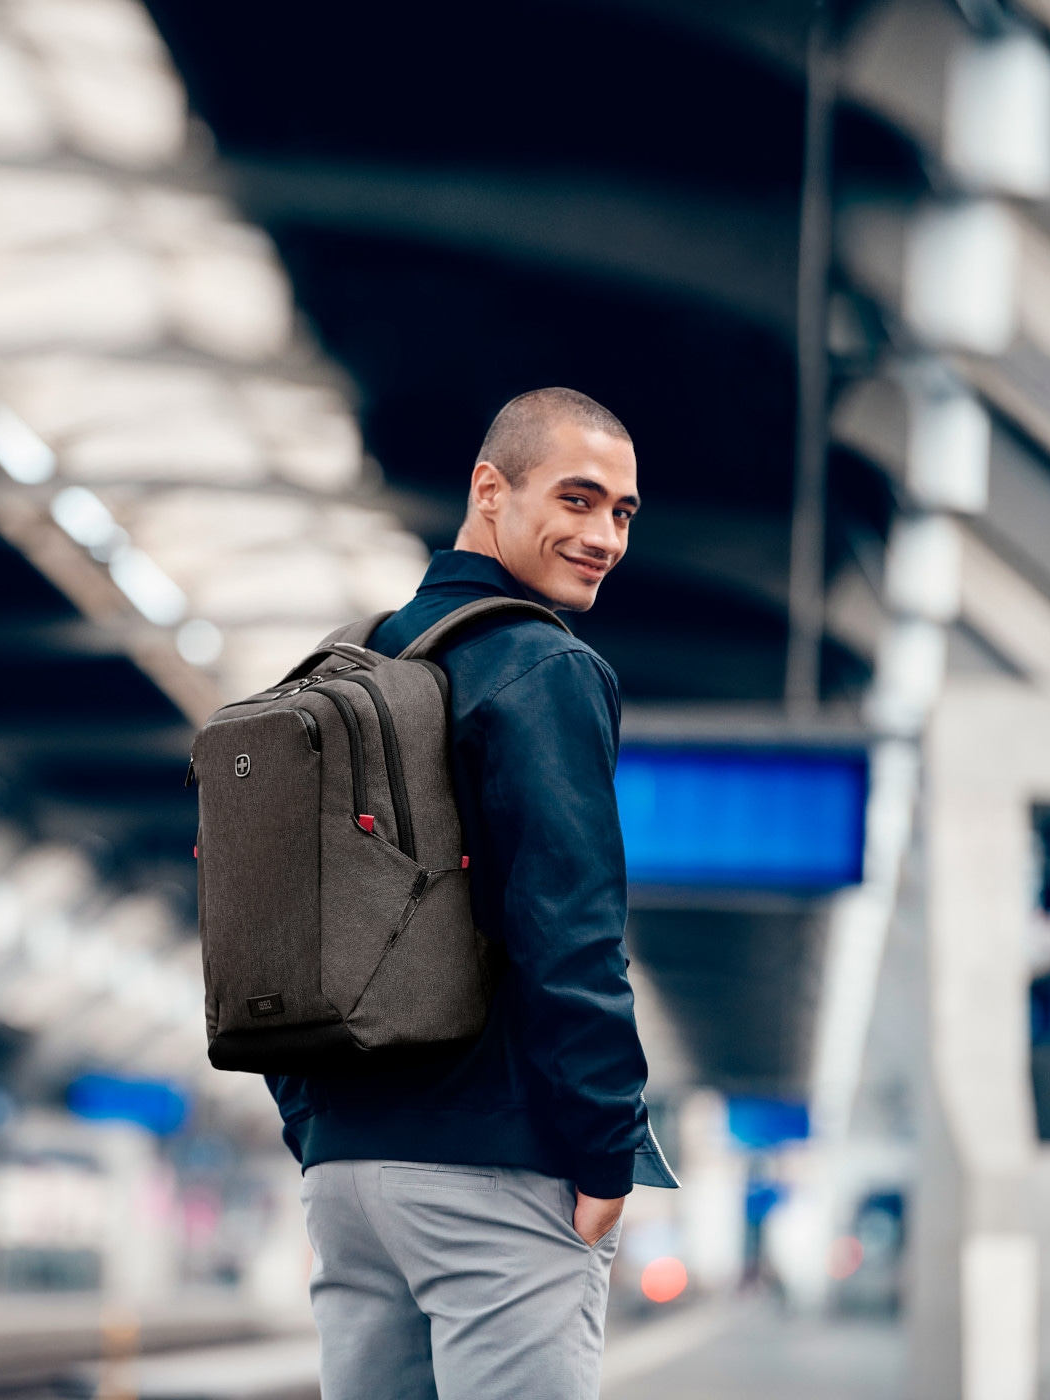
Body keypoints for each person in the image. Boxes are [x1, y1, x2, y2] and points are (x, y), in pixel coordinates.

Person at [266, 387, 675, 1400]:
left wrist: (318, 1129)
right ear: (489, 489)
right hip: (491, 1172)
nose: (604, 537)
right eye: (577, 499)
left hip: (347, 1178)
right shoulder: (542, 666)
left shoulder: (343, 664)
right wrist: (606, 1155)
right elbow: (572, 931)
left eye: (621, 512)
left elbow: (267, 920)